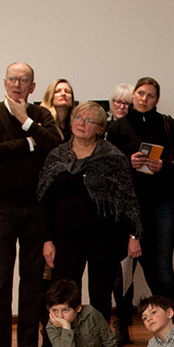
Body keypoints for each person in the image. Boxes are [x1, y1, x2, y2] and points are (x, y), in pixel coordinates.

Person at [0, 62, 63, 347]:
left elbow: (55, 147)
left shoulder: (40, 115)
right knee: (0, 281)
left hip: (35, 207)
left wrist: (26, 122)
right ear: (5, 82)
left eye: (23, 80)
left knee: (32, 282)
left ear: (32, 86)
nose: (17, 84)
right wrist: (30, 142)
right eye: (12, 79)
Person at [37, 102, 142, 324]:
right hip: (65, 239)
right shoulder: (57, 156)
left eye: (89, 120)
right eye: (78, 118)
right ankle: (63, 343)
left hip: (104, 239)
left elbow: (128, 200)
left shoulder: (113, 157)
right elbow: (45, 201)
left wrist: (133, 235)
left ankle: (97, 344)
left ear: (100, 128)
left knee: (100, 298)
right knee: (63, 297)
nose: (81, 123)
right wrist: (47, 239)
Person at [105, 76, 174, 330]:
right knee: (123, 268)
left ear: (157, 99)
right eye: (141, 93)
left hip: (163, 205)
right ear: (133, 95)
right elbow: (104, 165)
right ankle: (122, 322)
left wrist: (164, 165)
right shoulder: (116, 128)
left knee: (161, 266)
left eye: (150, 95)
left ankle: (168, 322)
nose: (144, 99)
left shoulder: (168, 124)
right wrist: (126, 162)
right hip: (126, 207)